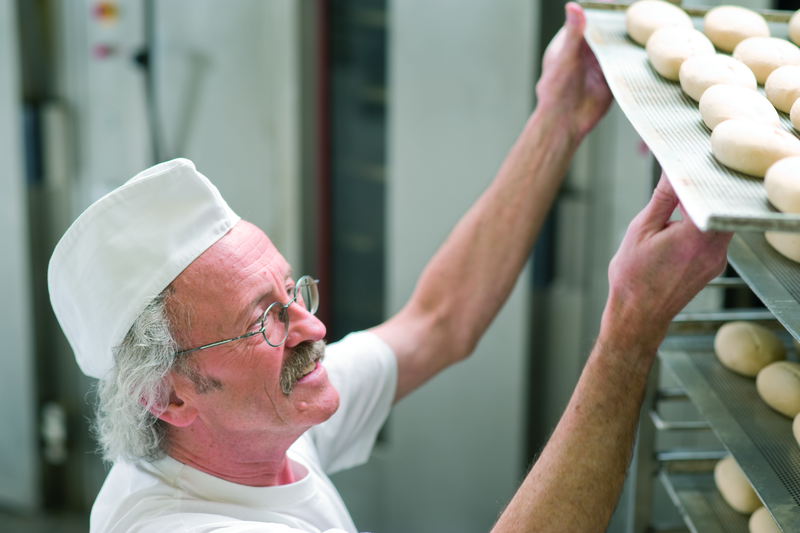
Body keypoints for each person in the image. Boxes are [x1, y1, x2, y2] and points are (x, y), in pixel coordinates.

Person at [48, 4, 731, 533]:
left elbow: (438, 321)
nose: (310, 324)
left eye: (290, 291)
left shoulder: (254, 422)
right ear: (169, 397)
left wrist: (559, 116)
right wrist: (629, 330)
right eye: (263, 319)